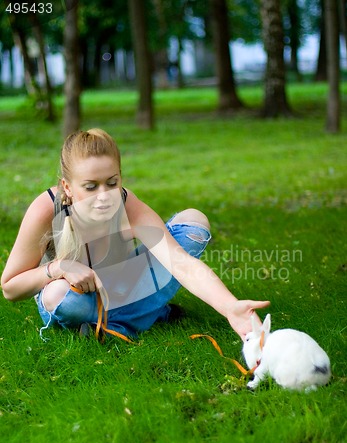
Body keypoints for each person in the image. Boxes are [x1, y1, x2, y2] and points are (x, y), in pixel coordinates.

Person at [1, 128, 269, 341]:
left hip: (121, 288)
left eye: (112, 182)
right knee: (57, 295)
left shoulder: (126, 202)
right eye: (91, 186)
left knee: (193, 225)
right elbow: (10, 287)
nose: (104, 195)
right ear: (67, 187)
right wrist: (59, 266)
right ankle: (146, 314)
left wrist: (230, 307)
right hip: (78, 298)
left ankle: (116, 326)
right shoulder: (47, 209)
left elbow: (180, 263)